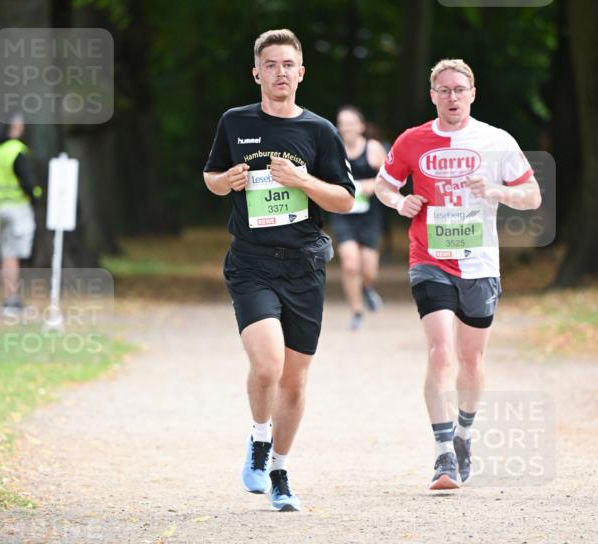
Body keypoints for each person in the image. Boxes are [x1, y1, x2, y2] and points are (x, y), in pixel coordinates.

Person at [203, 29, 355, 511]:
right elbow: (211, 177)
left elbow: (347, 199)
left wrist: (303, 180)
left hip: (304, 265)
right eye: (271, 64)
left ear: (301, 72)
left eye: (288, 64)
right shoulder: (234, 122)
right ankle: (259, 437)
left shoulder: (319, 132)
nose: (280, 72)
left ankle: (281, 471)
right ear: (257, 73)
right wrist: (225, 181)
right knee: (267, 365)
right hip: (251, 263)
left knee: (294, 379)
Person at [374, 59, 541, 490]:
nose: (452, 97)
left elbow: (533, 195)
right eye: (443, 90)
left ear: (472, 93)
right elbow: (383, 184)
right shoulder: (413, 140)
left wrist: (498, 191)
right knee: (441, 352)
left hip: (480, 263)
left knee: (471, 359)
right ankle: (443, 454)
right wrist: (399, 203)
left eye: (459, 90)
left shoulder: (496, 140)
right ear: (433, 95)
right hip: (428, 257)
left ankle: (465, 435)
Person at [329, 106, 387, 330]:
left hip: (369, 214)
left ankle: (367, 288)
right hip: (343, 213)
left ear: (361, 126)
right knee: (351, 264)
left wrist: (367, 186)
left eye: (351, 122)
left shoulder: (372, 149)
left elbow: (388, 180)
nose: (347, 127)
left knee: (369, 269)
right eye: (342, 122)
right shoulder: (334, 148)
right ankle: (357, 310)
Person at [0, 112, 42, 316]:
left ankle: (9, 298)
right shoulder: (15, 150)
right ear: (16, 127)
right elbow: (27, 182)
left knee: (6, 255)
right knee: (14, 255)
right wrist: (36, 197)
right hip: (16, 209)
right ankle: (11, 301)